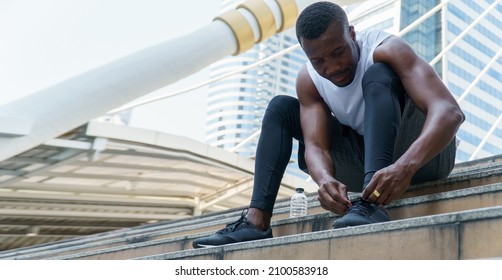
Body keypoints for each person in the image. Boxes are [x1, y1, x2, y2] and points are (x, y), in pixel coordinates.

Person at [192, 1, 464, 248]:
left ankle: (371, 204)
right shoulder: (309, 79)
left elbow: (450, 111)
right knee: (281, 108)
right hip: (367, 163)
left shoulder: (387, 49)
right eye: (318, 60)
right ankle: (256, 221)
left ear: (353, 34)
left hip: (426, 158)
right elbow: (315, 145)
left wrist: (405, 166)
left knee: (378, 74)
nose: (332, 68)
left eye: (338, 52)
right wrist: (324, 180)